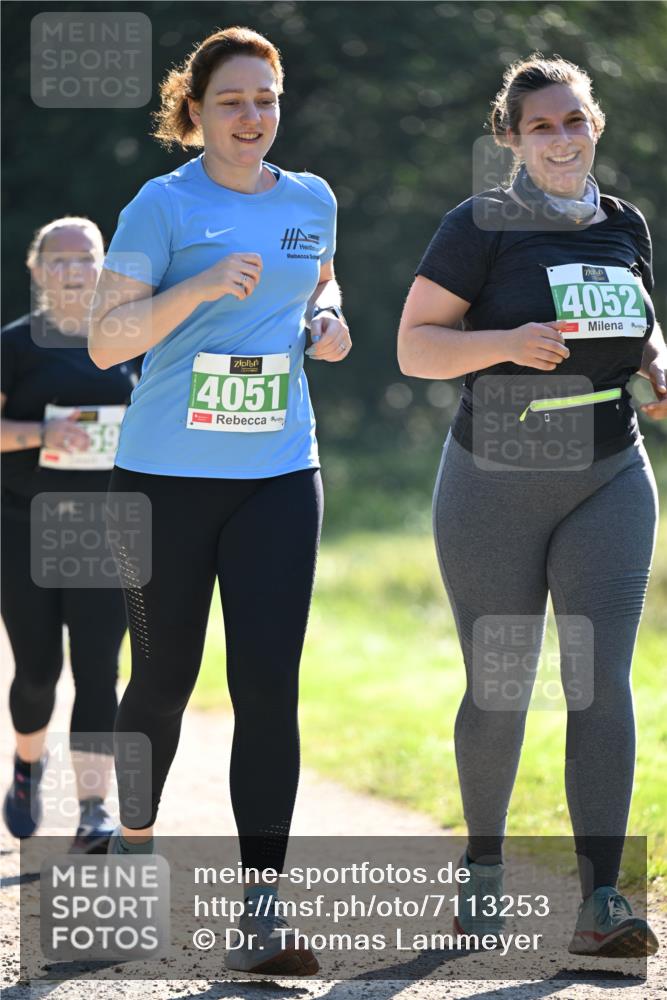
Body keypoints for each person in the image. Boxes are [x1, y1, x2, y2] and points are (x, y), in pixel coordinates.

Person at [89, 26, 350, 976]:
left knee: (267, 692)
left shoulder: (312, 199)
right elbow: (106, 342)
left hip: (280, 474)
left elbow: (322, 287)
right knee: (162, 683)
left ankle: (262, 914)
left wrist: (327, 322)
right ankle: (135, 841)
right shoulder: (160, 205)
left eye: (268, 98)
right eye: (233, 100)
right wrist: (194, 290)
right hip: (162, 477)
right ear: (194, 110)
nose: (254, 117)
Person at [398, 55, 665, 957]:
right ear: (509, 138)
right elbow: (415, 349)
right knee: (501, 684)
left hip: (608, 468)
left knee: (601, 680)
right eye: (539, 126)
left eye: (574, 121)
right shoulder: (478, 223)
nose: (560, 138)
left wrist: (655, 363)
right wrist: (504, 340)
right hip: (495, 474)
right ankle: (481, 868)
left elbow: (639, 317)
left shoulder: (625, 223)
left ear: (596, 126)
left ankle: (602, 904)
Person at [1, 217, 139, 852]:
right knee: (36, 674)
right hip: (22, 528)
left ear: (103, 266)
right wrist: (44, 436)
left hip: (105, 531)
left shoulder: (130, 342)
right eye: (58, 260)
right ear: (37, 270)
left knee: (97, 673)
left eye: (85, 258)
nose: (73, 269)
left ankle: (93, 812)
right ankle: (28, 765)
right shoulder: (14, 346)